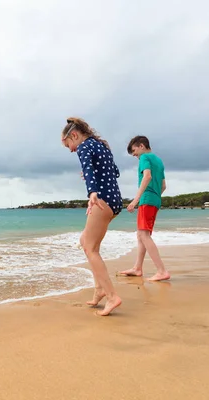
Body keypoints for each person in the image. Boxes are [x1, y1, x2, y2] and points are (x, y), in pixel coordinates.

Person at [61, 117, 123, 316]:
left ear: (74, 135)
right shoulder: (101, 145)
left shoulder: (84, 147)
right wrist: (93, 175)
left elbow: (88, 168)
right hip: (114, 200)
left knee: (89, 246)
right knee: (89, 243)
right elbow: (115, 171)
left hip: (102, 199)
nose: (71, 149)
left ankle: (112, 296)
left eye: (68, 144)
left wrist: (92, 192)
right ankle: (99, 290)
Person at [119, 135, 170, 281]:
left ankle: (161, 271)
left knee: (143, 235)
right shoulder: (159, 161)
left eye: (134, 151)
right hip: (155, 200)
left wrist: (135, 200)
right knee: (142, 235)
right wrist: (154, 196)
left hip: (146, 199)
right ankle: (137, 268)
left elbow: (146, 177)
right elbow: (163, 186)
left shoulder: (144, 158)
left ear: (141, 146)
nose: (134, 155)